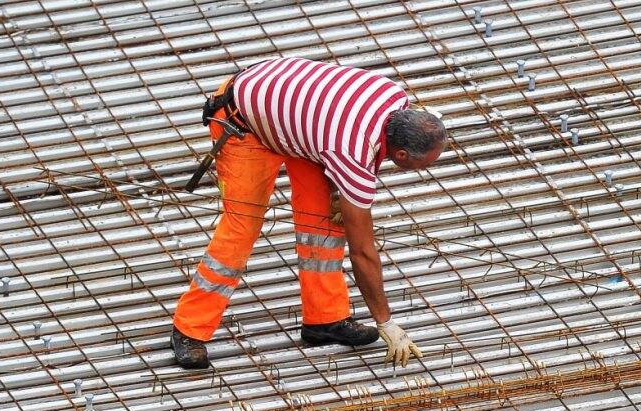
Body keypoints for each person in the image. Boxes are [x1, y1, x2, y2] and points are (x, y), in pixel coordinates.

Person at [171, 57, 446, 370]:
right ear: (400, 154)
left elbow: (336, 136)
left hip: (297, 125)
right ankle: (189, 329)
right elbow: (363, 252)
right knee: (241, 228)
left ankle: (324, 320)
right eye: (423, 165)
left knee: (325, 219)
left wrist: (338, 193)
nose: (425, 172)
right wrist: (386, 323)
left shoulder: (395, 100)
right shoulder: (351, 150)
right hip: (244, 122)